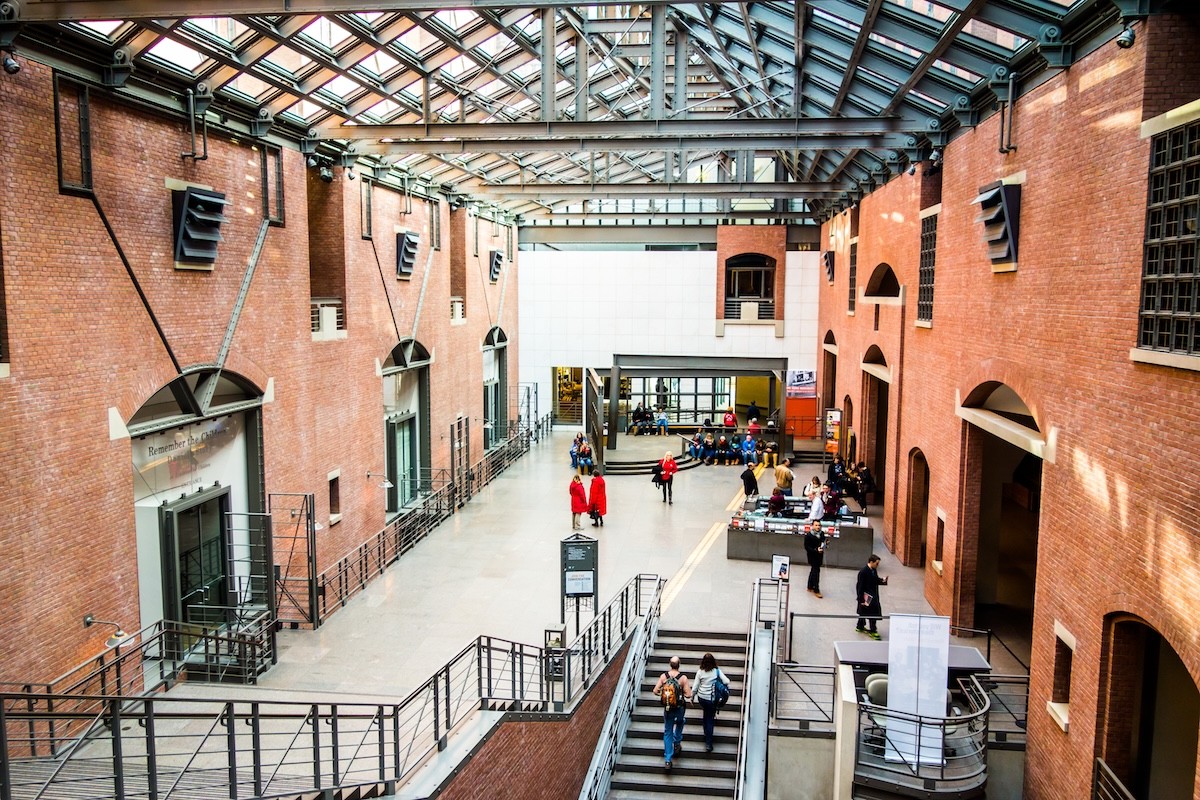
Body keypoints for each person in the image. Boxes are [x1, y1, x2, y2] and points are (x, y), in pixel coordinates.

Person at [653, 656, 693, 771]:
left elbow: (655, 691)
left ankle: (667, 760)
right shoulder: (683, 678)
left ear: (670, 664)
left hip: (668, 708)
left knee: (667, 731)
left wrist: (664, 695)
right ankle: (677, 742)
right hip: (679, 708)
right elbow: (688, 694)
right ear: (679, 664)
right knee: (681, 722)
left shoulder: (664, 677)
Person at [691, 653, 731, 753]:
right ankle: (708, 743)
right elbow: (727, 681)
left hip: (702, 698)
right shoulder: (716, 671)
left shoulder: (700, 672)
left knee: (706, 714)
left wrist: (692, 697)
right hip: (712, 699)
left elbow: (695, 686)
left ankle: (705, 731)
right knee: (710, 718)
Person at [856, 554, 889, 639]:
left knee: (864, 612)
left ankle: (860, 626)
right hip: (867, 597)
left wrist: (882, 580)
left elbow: (875, 580)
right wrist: (861, 599)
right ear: (871, 562)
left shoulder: (873, 570)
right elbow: (860, 586)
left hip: (872, 595)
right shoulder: (863, 572)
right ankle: (873, 630)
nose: (878, 565)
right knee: (872, 613)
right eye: (877, 563)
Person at [804, 521, 827, 598]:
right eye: (816, 525)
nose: (818, 527)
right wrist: (816, 550)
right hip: (812, 556)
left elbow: (823, 541)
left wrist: (825, 544)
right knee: (816, 572)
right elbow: (807, 547)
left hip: (819, 556)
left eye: (819, 525)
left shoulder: (822, 533)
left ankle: (810, 586)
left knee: (813, 570)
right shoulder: (809, 536)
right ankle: (816, 589)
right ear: (812, 526)